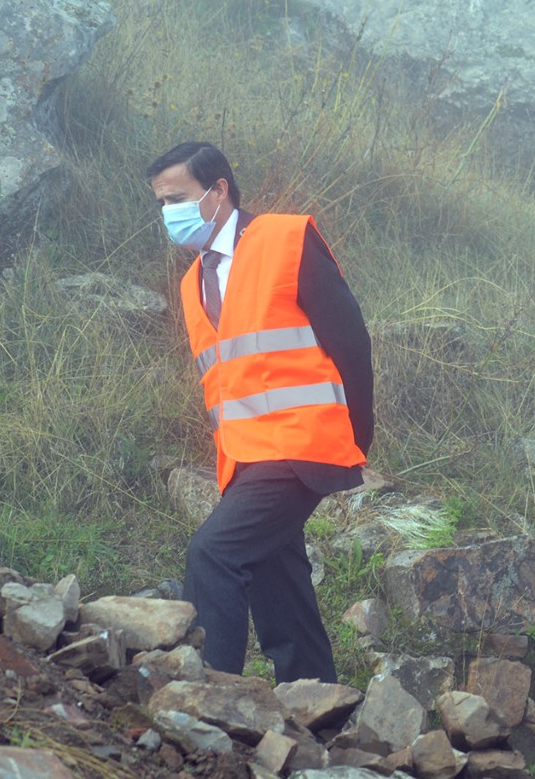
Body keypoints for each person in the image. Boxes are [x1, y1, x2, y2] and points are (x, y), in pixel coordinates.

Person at [144, 141, 373, 683]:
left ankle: (210, 703)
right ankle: (317, 707)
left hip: (303, 446)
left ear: (218, 190)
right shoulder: (191, 282)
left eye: (177, 198)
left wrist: (355, 437)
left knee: (213, 555)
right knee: (277, 578)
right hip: (245, 461)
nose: (168, 213)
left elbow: (350, 339)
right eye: (160, 203)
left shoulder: (285, 237)